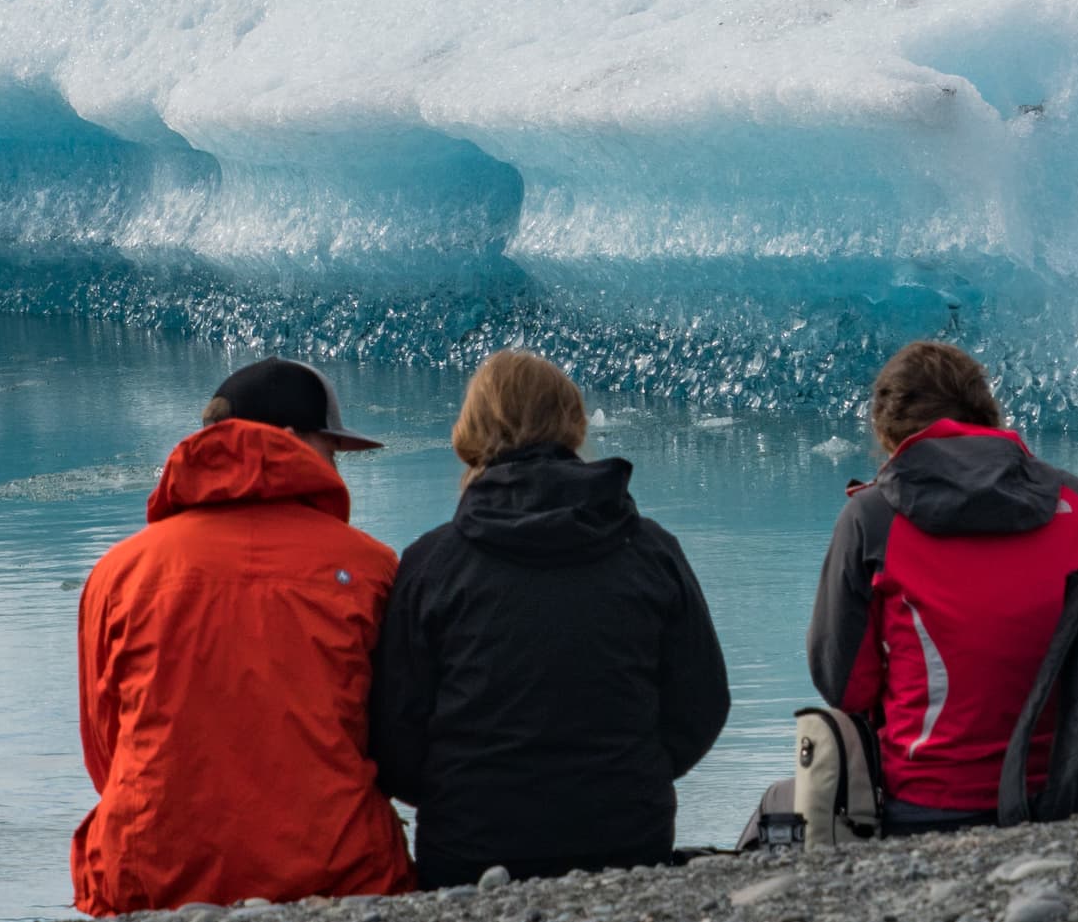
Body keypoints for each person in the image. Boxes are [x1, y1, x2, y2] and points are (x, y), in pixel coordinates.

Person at [371, 350, 730, 887]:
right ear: (573, 423)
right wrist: (634, 769)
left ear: (471, 429)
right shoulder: (649, 550)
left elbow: (394, 736)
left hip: (470, 849)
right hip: (626, 840)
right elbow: (702, 704)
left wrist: (460, 791)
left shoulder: (433, 563)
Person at [72, 358, 414, 916]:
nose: (337, 468)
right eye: (330, 448)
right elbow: (394, 741)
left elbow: (105, 750)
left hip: (152, 876)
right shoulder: (371, 567)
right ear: (287, 442)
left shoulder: (119, 572)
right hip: (339, 873)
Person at [808, 340, 1078, 831]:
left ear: (888, 431)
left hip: (932, 800)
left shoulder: (872, 517)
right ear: (985, 411)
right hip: (1073, 789)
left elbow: (843, 683)